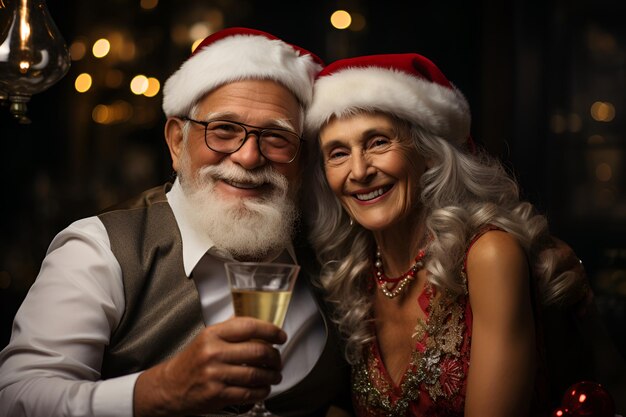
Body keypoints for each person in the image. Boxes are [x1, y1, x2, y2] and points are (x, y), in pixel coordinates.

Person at [0, 27, 352, 417]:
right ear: (177, 142)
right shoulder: (100, 249)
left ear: (302, 161)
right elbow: (18, 397)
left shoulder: (332, 259)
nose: (249, 157)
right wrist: (159, 390)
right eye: (224, 130)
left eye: (276, 137)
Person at [302, 53, 594, 416]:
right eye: (338, 153)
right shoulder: (354, 274)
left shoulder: (488, 255)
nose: (359, 171)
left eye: (378, 142)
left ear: (428, 154)